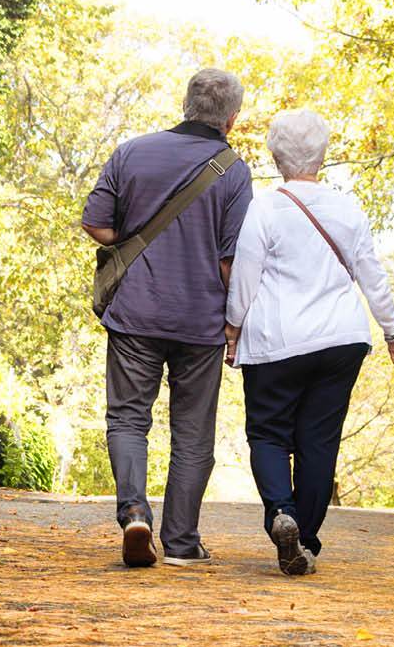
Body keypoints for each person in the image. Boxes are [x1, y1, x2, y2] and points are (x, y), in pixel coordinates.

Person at [223, 109, 394, 576]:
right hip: (340, 340)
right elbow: (372, 274)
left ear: (275, 155)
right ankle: (303, 536)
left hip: (277, 341)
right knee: (318, 441)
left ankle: (281, 513)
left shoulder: (264, 207)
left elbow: (245, 275)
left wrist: (232, 328)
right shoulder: (347, 207)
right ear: (323, 155)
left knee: (268, 432)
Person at [81, 69, 255, 568]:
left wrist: (132, 241)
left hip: (135, 312)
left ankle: (135, 511)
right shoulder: (234, 170)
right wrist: (235, 322)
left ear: (185, 103)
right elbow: (230, 262)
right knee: (193, 434)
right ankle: (182, 542)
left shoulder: (132, 152)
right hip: (200, 323)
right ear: (232, 118)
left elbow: (97, 224)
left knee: (128, 418)